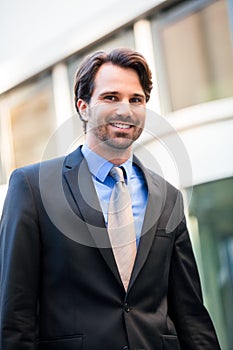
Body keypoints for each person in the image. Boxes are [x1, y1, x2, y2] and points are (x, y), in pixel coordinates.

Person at [0, 48, 221, 350]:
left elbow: (191, 314)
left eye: (136, 99)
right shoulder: (33, 187)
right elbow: (15, 315)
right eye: (110, 97)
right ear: (83, 107)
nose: (125, 110)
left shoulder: (168, 197)